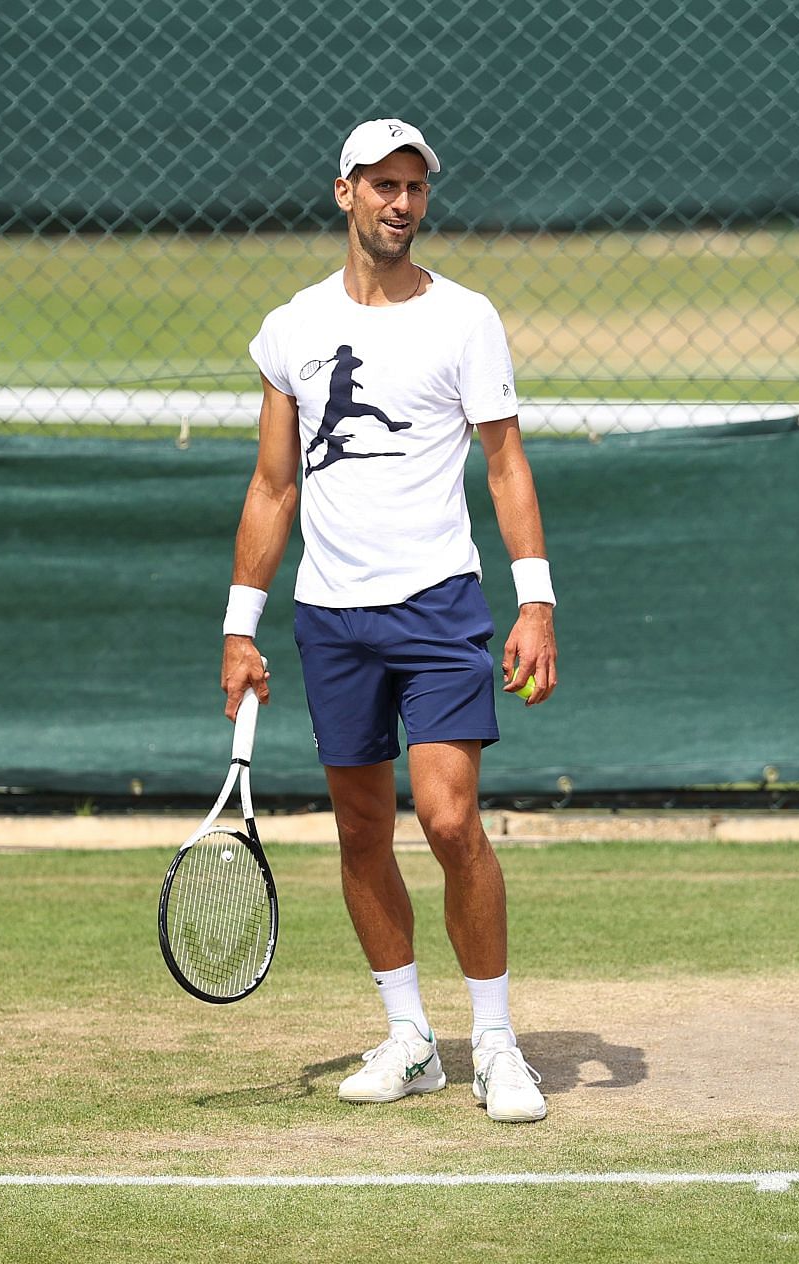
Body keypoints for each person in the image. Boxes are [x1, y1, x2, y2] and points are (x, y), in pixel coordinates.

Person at [221, 118, 558, 1124]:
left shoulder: (465, 318)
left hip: (439, 603)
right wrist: (242, 625)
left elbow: (505, 463)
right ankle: (412, 1037)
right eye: (382, 185)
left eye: (415, 186)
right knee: (363, 826)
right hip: (331, 613)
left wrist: (535, 597)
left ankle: (495, 1040)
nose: (401, 202)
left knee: (451, 819)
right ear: (344, 193)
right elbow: (274, 484)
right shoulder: (291, 328)